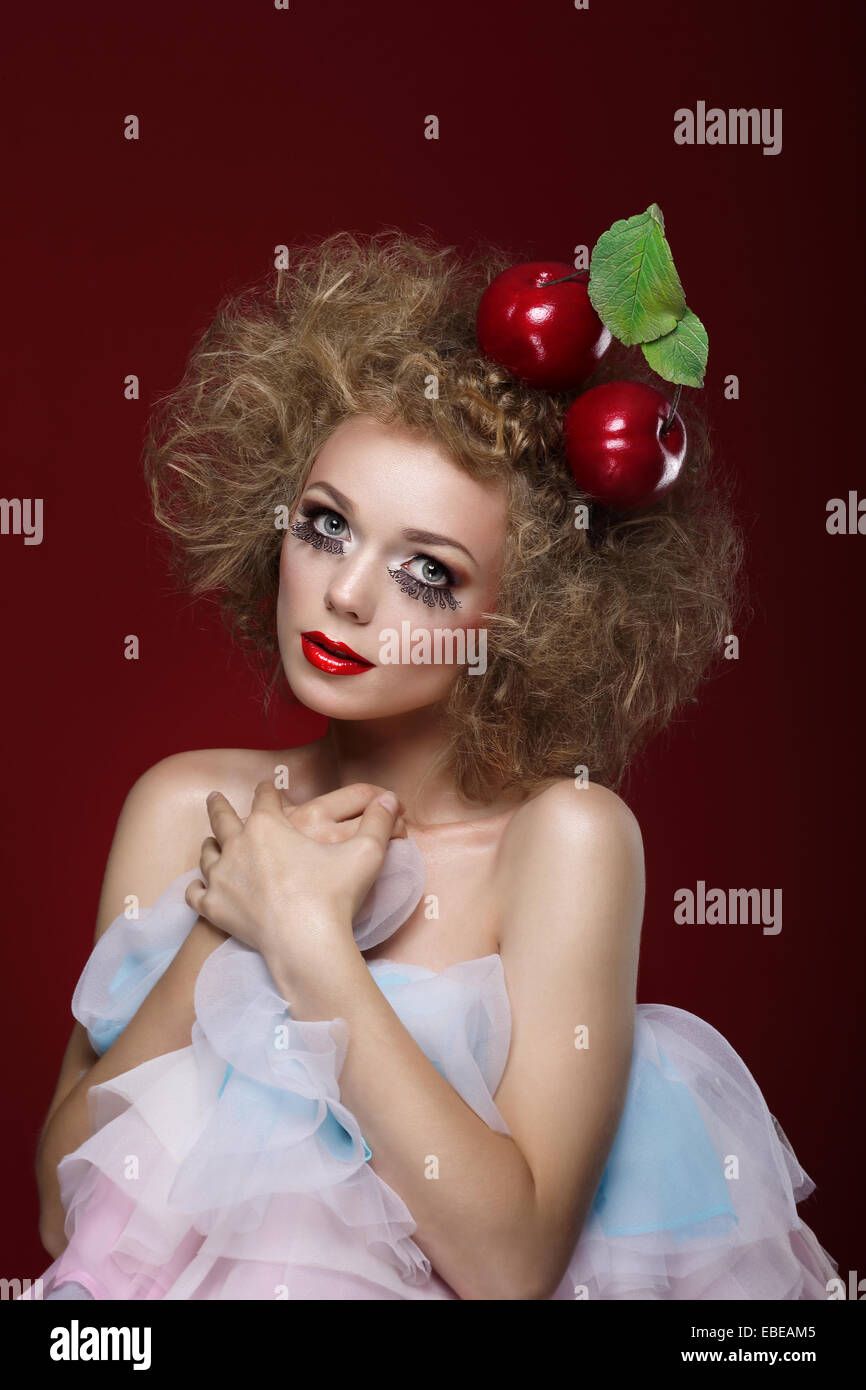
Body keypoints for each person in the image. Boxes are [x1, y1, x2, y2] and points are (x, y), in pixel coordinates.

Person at [28, 231, 838, 1300]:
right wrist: (227, 924)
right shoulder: (186, 805)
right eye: (324, 525)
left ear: (527, 617)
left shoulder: (567, 840)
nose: (346, 594)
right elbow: (60, 1206)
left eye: (425, 571)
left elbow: (511, 1264)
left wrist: (306, 940)